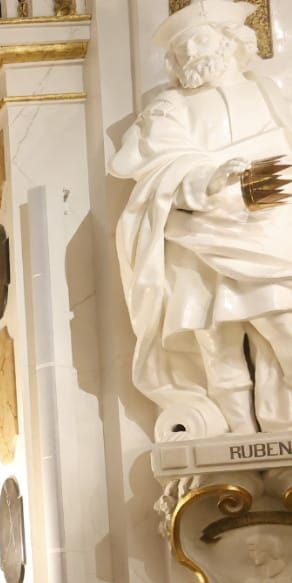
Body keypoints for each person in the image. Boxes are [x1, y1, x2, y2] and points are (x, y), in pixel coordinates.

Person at [111, 0, 292, 437]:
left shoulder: (270, 93)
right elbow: (155, 163)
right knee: (218, 349)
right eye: (181, 47)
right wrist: (207, 178)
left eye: (201, 38)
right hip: (200, 236)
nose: (191, 51)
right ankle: (236, 448)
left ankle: (281, 440)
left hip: (269, 230)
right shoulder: (168, 108)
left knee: (282, 334)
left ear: (230, 41)